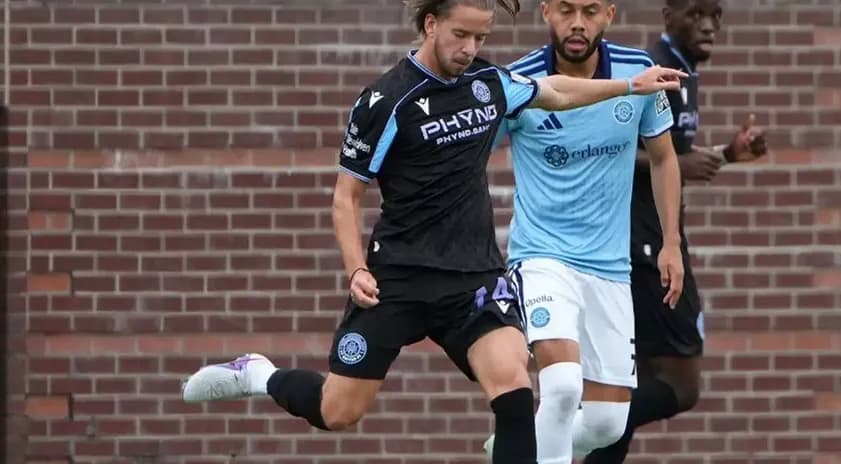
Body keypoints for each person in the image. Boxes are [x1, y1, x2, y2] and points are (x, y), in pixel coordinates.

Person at [179, 1, 687, 463]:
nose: (470, 50)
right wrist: (355, 266)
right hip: (397, 278)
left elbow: (553, 90)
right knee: (340, 411)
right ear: (430, 23)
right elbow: (346, 196)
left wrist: (627, 86)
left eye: (480, 39)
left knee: (515, 388)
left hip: (473, 279)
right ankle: (260, 375)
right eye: (460, 35)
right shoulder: (385, 100)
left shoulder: (489, 84)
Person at [482, 1, 685, 462]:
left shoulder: (640, 71)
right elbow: (471, 155)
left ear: (610, 14)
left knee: (607, 425)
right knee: (560, 388)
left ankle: (518, 450)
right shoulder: (521, 82)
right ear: (545, 11)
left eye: (590, 10)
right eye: (566, 9)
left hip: (610, 267)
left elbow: (664, 157)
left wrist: (671, 242)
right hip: (541, 258)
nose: (577, 23)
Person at [584, 0, 768, 462]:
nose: (708, 25)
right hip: (643, 246)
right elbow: (600, 148)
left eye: (716, 15)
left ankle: (576, 431)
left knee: (639, 383)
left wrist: (727, 154)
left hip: (652, 240)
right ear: (668, 16)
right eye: (695, 14)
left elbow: (672, 160)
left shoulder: (683, 72)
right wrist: (679, 164)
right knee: (680, 387)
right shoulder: (652, 73)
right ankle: (561, 430)